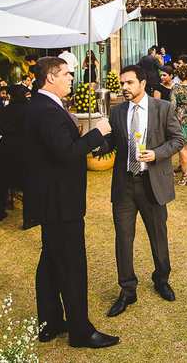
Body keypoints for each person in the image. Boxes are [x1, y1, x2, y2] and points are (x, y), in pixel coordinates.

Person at [25, 56, 117, 348]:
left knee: (51, 262)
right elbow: (66, 152)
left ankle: (49, 322)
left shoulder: (43, 106)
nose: (71, 78)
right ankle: (81, 330)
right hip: (61, 202)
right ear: (50, 77)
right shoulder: (46, 110)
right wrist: (97, 132)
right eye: (67, 74)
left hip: (51, 200)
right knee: (73, 265)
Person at [103, 65, 184, 317]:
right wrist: (94, 136)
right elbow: (110, 144)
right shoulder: (116, 112)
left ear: (142, 83)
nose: (124, 88)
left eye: (128, 83)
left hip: (152, 184)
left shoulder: (163, 108)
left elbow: (177, 140)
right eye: (122, 83)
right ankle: (127, 290)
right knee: (123, 239)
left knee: (158, 235)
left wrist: (156, 154)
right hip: (124, 185)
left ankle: (161, 279)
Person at [0, 85, 30, 223]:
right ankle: (28, 217)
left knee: (2, 181)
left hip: (7, 147)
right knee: (27, 182)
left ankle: (0, 211)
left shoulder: (3, 111)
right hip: (25, 147)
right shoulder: (30, 110)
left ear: (11, 96)